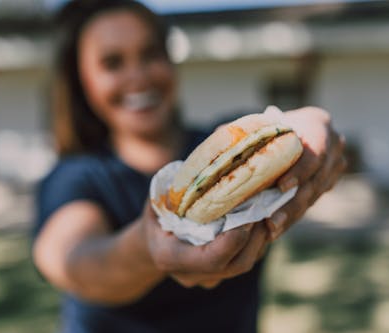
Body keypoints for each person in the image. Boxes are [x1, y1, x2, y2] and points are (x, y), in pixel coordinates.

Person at [31, 1, 347, 332]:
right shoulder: (74, 176)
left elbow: (290, 128)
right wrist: (145, 246)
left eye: (151, 53)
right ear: (83, 82)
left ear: (170, 60)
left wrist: (313, 129)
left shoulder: (228, 135)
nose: (138, 76)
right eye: (112, 63)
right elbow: (75, 261)